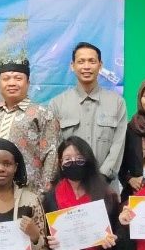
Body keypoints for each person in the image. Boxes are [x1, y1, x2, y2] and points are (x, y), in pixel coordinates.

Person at [48, 42, 127, 183]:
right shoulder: (57, 104)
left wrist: (102, 177)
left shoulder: (117, 103)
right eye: (81, 61)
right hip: (70, 185)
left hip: (106, 185)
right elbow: (54, 148)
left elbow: (118, 144)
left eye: (92, 61)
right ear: (72, 65)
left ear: (100, 65)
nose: (86, 66)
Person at [0, 59, 59, 193]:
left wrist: (43, 193)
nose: (11, 83)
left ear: (28, 83)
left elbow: (52, 154)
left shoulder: (42, 114)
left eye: (18, 78)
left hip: (31, 193)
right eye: (6, 79)